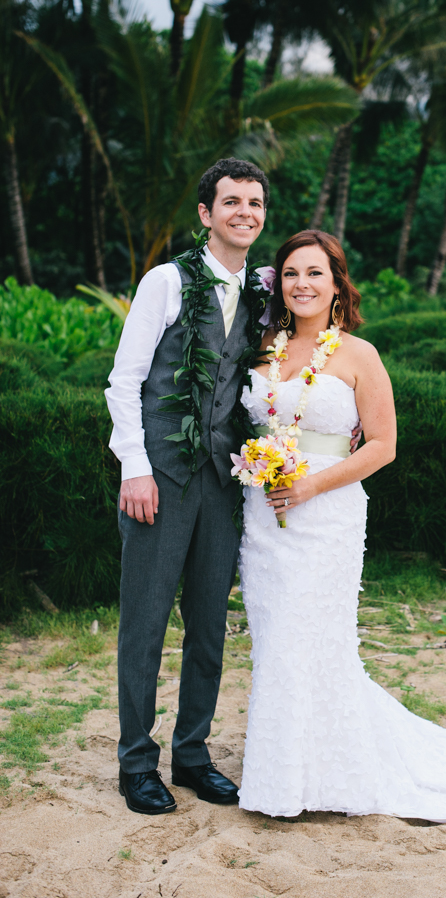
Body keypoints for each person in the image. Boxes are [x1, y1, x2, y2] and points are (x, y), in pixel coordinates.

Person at [237, 230, 446, 821]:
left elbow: (384, 446)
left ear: (337, 283)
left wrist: (311, 484)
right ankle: (284, 775)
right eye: (291, 274)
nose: (302, 285)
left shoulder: (359, 355)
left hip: (327, 512)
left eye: (315, 273)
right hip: (264, 516)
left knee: (316, 638)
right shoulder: (260, 345)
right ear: (278, 284)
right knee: (276, 642)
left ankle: (330, 774)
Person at [106, 157, 272, 816]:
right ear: (206, 213)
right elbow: (125, 380)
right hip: (161, 477)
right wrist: (135, 466)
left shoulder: (261, 293)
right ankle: (135, 763)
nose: (244, 212)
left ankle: (194, 755)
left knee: (208, 624)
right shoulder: (164, 282)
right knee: (144, 622)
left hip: (224, 481)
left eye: (254, 203)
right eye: (231, 201)